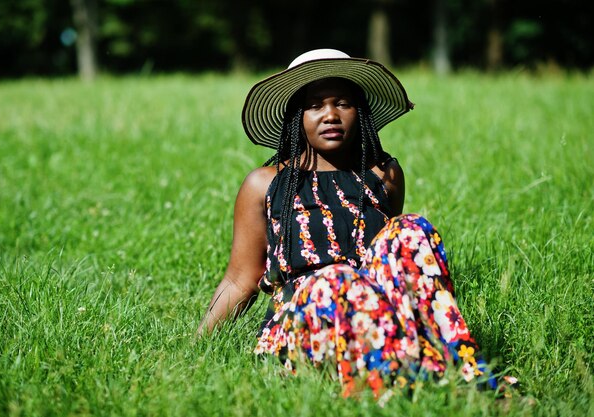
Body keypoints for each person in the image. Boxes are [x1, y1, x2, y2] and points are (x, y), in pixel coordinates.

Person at [198, 49, 513, 401]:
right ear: (296, 117)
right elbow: (240, 279)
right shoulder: (266, 183)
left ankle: (462, 377)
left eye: (343, 103)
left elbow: (392, 262)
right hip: (304, 320)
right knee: (336, 277)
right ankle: (382, 388)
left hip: (374, 316)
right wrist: (198, 348)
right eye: (315, 105)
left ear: (359, 113)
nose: (330, 115)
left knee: (410, 229)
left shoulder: (383, 176)